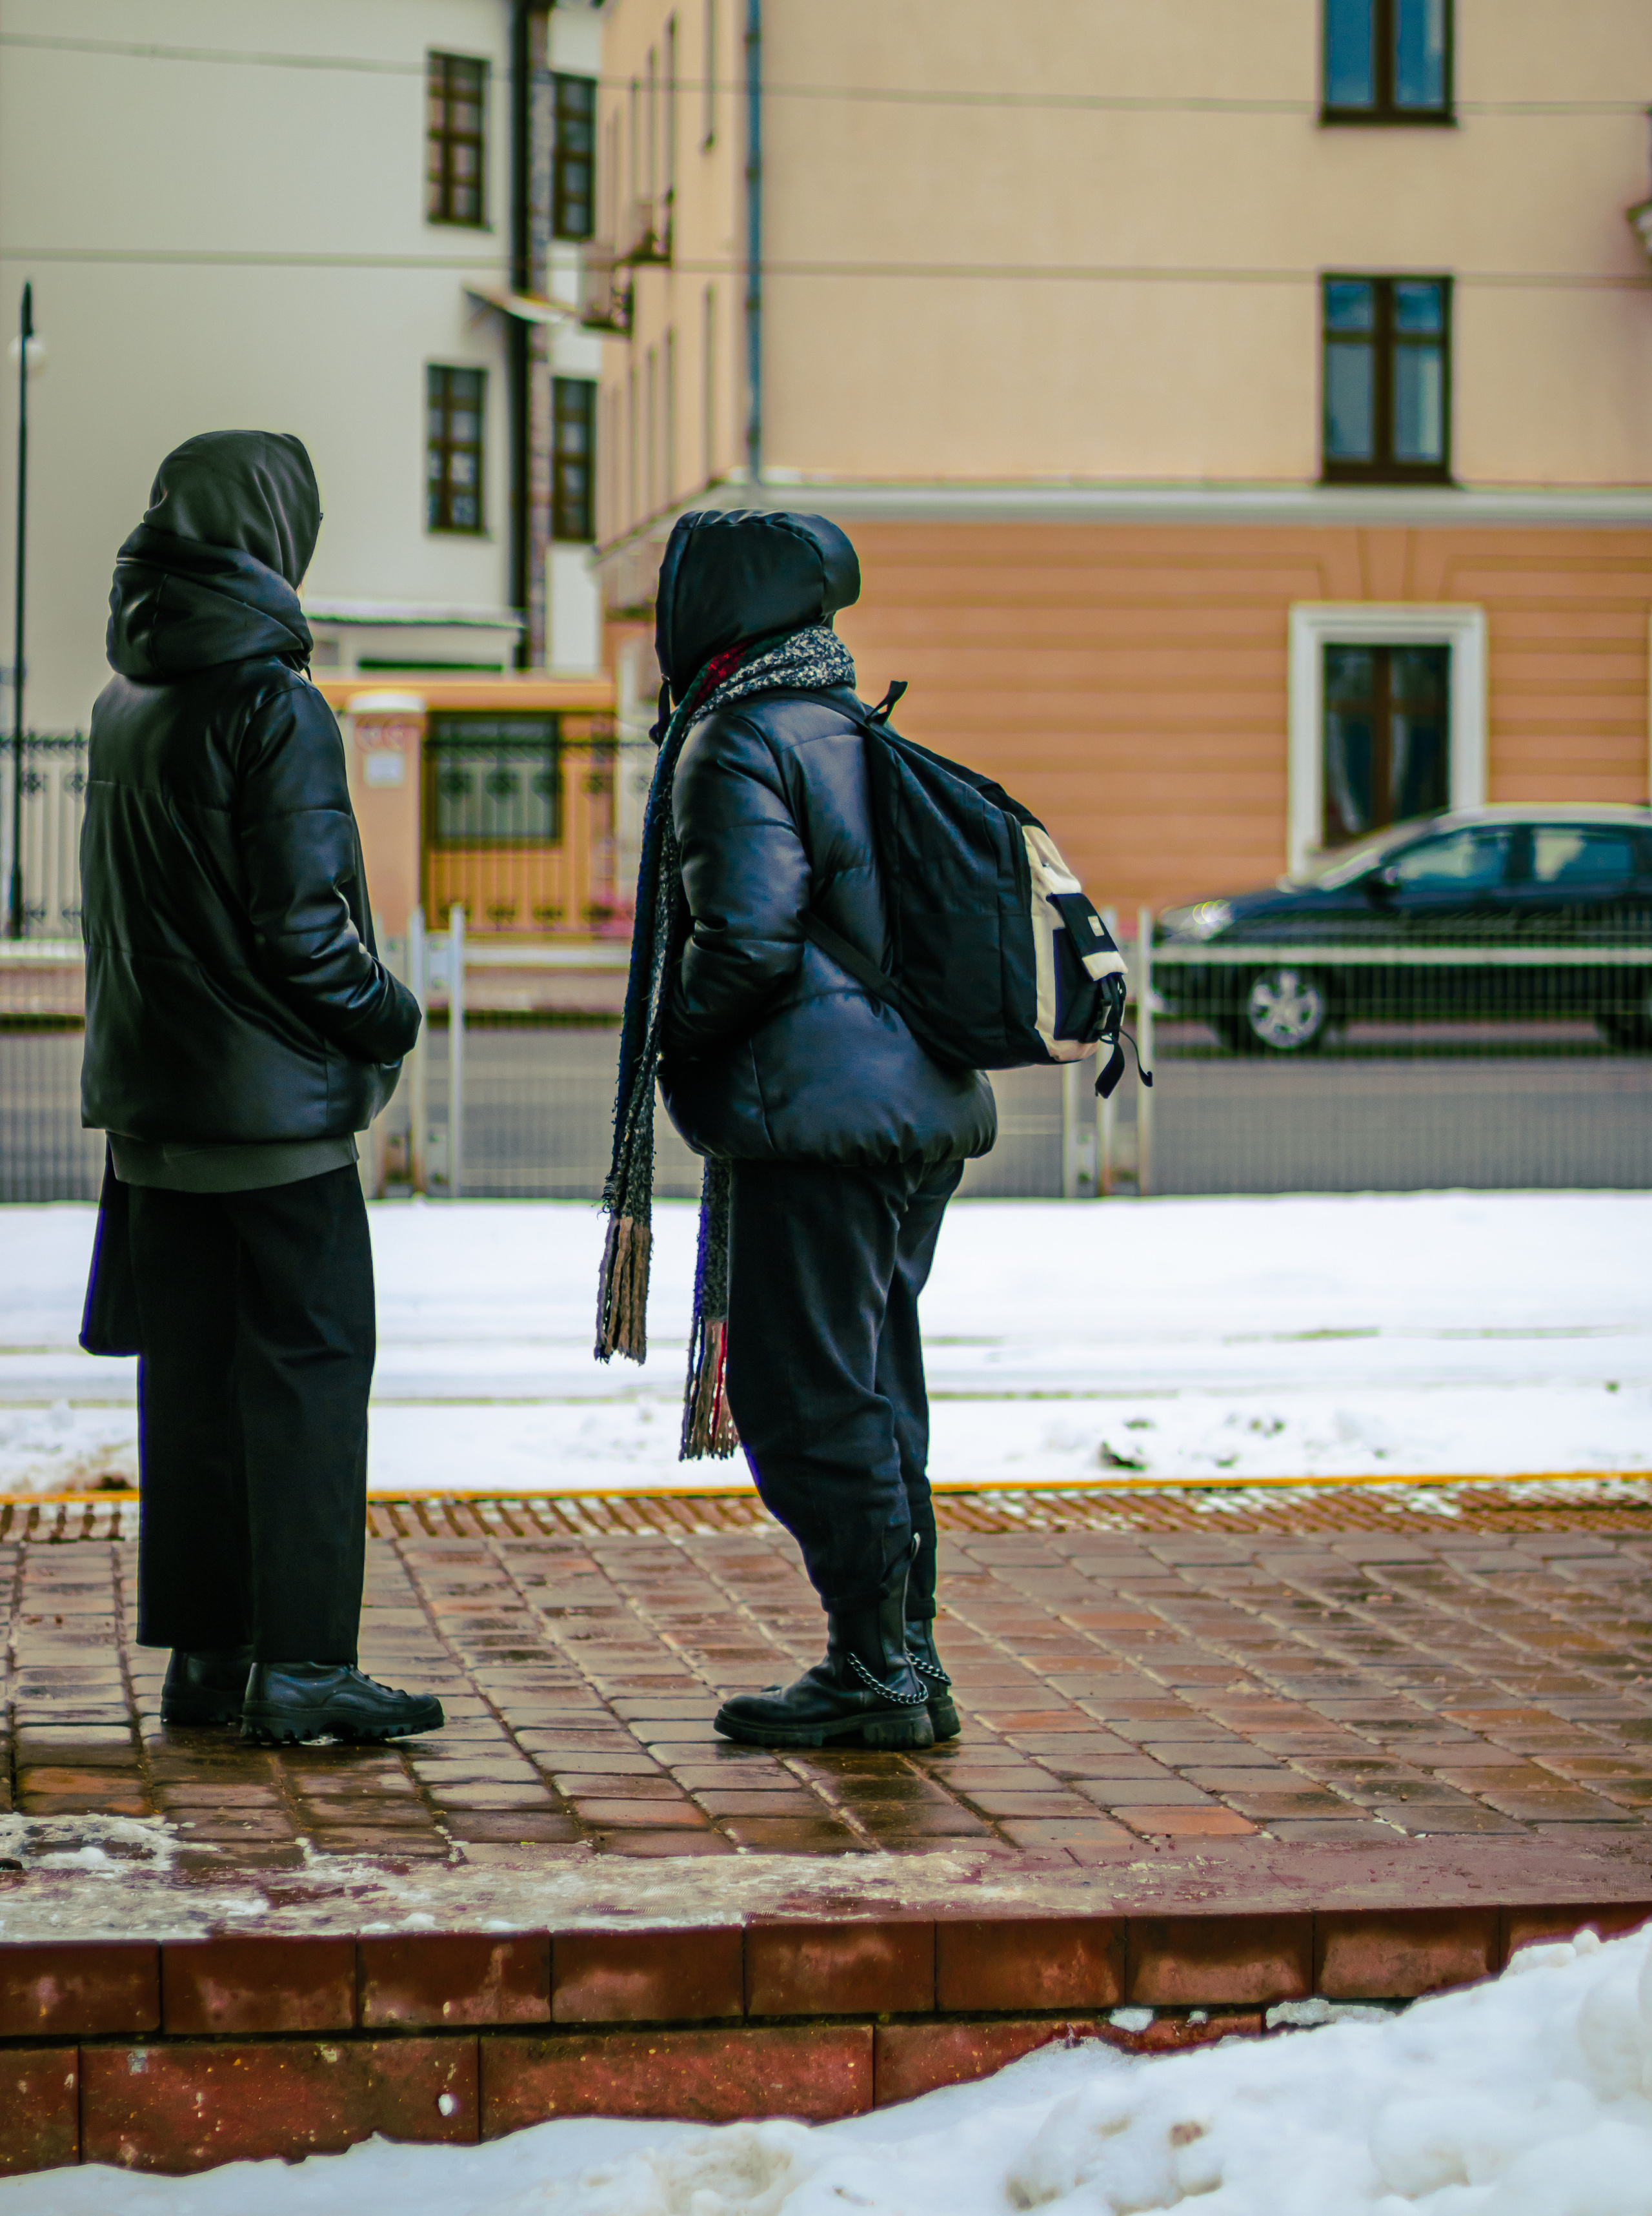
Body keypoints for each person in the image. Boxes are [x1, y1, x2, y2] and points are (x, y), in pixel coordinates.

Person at [603, 509, 995, 1749]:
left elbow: (749, 941)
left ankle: (876, 1667)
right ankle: (901, 1660)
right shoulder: (843, 717)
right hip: (907, 1109)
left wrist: (676, 1040)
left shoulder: (734, 739)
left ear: (711, 605)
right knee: (875, 1388)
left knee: (799, 1396)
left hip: (816, 1121)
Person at [79, 430, 443, 1745]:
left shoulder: (126, 700)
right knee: (304, 1375)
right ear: (273, 534)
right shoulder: (271, 705)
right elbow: (308, 932)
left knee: (190, 1388)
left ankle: (208, 1660)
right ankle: (302, 1668)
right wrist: (392, 1011)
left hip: (154, 1117)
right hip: (275, 1126)